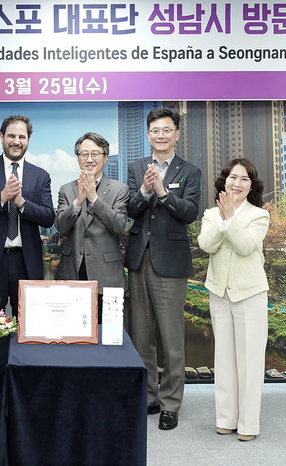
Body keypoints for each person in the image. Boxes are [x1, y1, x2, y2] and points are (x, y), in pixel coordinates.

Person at [125, 107, 201, 431]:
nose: (160, 135)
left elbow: (190, 212)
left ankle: (171, 403)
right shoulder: (136, 168)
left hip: (171, 262)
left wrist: (163, 193)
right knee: (141, 337)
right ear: (148, 134)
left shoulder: (190, 172)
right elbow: (130, 210)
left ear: (176, 134)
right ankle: (149, 397)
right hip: (139, 260)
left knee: (171, 339)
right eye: (155, 130)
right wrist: (144, 191)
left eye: (166, 130)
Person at [197, 158, 270, 442]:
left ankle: (248, 424)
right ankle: (225, 419)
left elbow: (245, 246)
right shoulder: (210, 214)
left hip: (250, 293)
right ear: (224, 181)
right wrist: (222, 217)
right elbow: (206, 244)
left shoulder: (258, 215)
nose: (237, 183)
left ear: (252, 186)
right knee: (224, 358)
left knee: (250, 361)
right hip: (219, 293)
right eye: (232, 177)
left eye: (244, 179)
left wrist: (229, 219)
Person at [0, 115, 55, 311]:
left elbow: (48, 217)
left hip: (27, 263)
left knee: (27, 324)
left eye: (22, 137)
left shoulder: (40, 176)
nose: (16, 141)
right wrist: (1, 197)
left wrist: (22, 204)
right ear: (1, 137)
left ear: (28, 139)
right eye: (11, 136)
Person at [55, 132, 129, 320]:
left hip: (107, 276)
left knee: (109, 333)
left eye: (95, 154)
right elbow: (61, 227)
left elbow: (118, 225)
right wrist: (78, 201)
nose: (89, 159)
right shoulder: (66, 189)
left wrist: (94, 198)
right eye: (84, 154)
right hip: (72, 273)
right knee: (72, 331)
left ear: (105, 157)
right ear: (78, 158)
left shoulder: (119, 189)